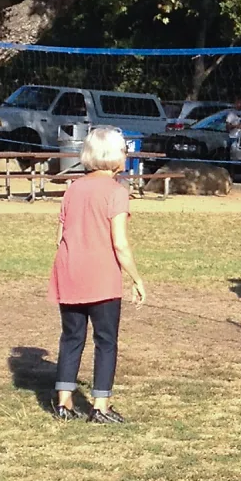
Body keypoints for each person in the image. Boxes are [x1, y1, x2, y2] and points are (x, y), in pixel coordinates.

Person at [48, 127, 146, 423]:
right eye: (124, 151)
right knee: (106, 340)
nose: (126, 156)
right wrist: (136, 278)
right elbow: (120, 243)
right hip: (102, 277)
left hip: (69, 272)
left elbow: (59, 236)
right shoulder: (117, 192)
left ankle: (63, 402)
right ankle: (100, 405)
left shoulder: (73, 188)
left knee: (71, 337)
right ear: (113, 156)